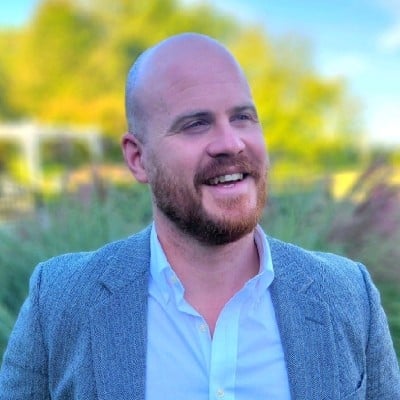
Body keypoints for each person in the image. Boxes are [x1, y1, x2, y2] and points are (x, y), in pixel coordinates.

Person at [0, 32, 399, 400]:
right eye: (195, 124)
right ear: (138, 158)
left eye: (243, 117)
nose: (231, 142)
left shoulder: (349, 295)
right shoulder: (60, 300)